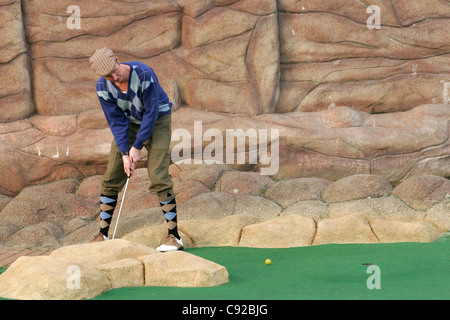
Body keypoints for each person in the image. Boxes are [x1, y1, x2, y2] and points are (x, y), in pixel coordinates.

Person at [89, 47, 183, 252]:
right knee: (111, 176)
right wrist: (124, 152)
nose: (114, 77)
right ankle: (103, 235)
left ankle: (174, 237)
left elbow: (150, 112)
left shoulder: (143, 74)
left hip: (158, 120)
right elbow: (116, 121)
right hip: (130, 124)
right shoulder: (102, 87)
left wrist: (137, 147)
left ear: (117, 59)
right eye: (108, 76)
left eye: (114, 70)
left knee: (158, 176)